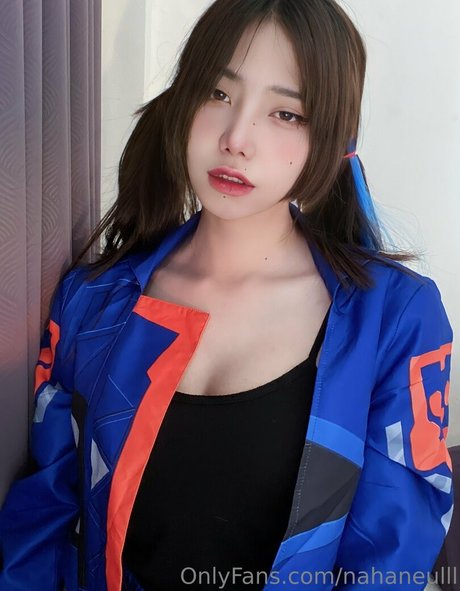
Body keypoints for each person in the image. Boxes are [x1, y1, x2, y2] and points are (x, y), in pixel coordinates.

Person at [0, 0, 454, 590]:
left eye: (286, 113)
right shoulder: (92, 302)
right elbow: (43, 522)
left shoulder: (391, 318)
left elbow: (391, 558)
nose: (237, 138)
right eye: (218, 94)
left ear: (330, 138)